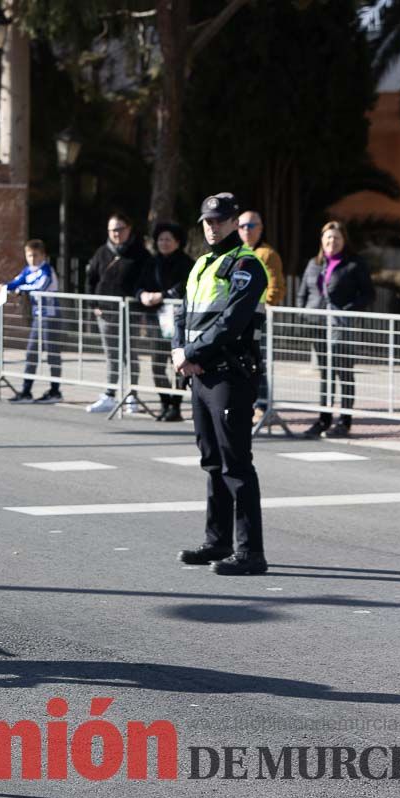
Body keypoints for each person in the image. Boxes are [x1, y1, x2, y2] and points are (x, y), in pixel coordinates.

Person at [173, 193, 269, 576]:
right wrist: (179, 349)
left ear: (234, 222)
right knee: (212, 462)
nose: (213, 227)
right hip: (200, 373)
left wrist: (192, 352)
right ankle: (219, 541)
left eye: (220, 220)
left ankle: (251, 552)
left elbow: (233, 321)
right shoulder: (202, 264)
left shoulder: (246, 264)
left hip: (230, 374)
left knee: (236, 464)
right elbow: (183, 311)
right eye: (208, 221)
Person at [296, 220, 374, 438]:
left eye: (337, 238)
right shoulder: (313, 263)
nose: (332, 241)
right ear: (322, 240)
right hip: (317, 324)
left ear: (344, 241)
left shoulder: (354, 264)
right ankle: (323, 419)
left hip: (341, 326)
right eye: (328, 237)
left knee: (344, 372)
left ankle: (344, 421)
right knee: (326, 373)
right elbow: (303, 293)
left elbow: (368, 294)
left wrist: (347, 310)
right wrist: (304, 312)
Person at [85, 213, 150, 413]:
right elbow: (91, 279)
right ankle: (110, 394)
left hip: (130, 312)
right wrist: (93, 305)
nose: (116, 233)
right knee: (112, 355)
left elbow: (145, 282)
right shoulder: (102, 252)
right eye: (112, 229)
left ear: (129, 229)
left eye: (120, 229)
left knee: (130, 355)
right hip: (105, 313)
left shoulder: (140, 254)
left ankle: (132, 395)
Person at [136, 222, 194, 421]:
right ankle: (164, 402)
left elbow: (186, 286)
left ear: (178, 242)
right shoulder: (152, 262)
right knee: (157, 364)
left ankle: (176, 406)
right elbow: (139, 284)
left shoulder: (187, 263)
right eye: (161, 239)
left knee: (178, 364)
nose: (164, 243)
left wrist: (163, 295)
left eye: (168, 239)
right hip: (156, 320)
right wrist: (142, 295)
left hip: (179, 320)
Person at [0, 238, 63, 404]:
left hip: (51, 317)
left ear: (43, 255)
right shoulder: (28, 270)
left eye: (36, 255)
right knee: (31, 353)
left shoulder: (47, 270)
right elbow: (16, 282)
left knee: (52, 354)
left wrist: (20, 289)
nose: (32, 259)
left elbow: (40, 286)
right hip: (37, 316)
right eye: (29, 256)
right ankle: (26, 391)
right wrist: (5, 286)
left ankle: (55, 390)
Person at [238, 211, 286, 418]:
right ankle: (246, 402)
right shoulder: (238, 252)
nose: (246, 230)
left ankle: (262, 404)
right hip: (239, 318)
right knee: (243, 360)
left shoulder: (268, 254)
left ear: (260, 228)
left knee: (259, 360)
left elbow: (276, 288)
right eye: (242, 226)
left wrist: (260, 310)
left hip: (258, 318)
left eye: (250, 226)